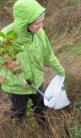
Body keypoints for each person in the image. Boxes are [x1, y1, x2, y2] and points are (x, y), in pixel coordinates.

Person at [0, 0, 65, 129]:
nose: (40, 25)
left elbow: (49, 55)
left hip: (37, 82)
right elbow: (5, 63)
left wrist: (60, 70)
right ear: (24, 22)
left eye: (42, 21)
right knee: (19, 111)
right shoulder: (7, 37)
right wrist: (19, 79)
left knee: (41, 108)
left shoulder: (40, 33)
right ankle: (19, 130)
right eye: (37, 23)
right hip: (17, 87)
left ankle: (43, 128)